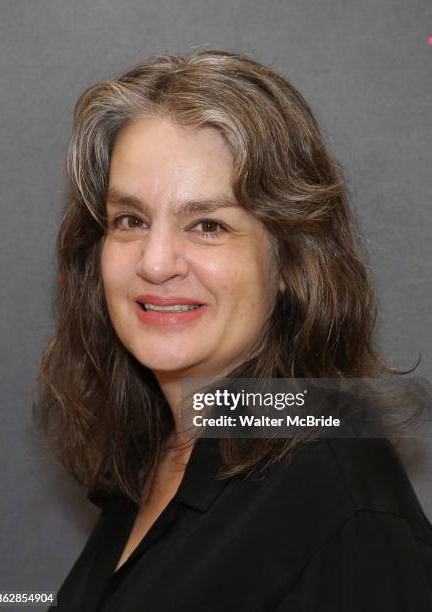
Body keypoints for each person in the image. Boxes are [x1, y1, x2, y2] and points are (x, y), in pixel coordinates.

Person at [35, 50, 432, 611]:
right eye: (131, 220)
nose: (155, 261)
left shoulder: (338, 502)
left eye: (207, 225)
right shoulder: (151, 465)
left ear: (292, 263)